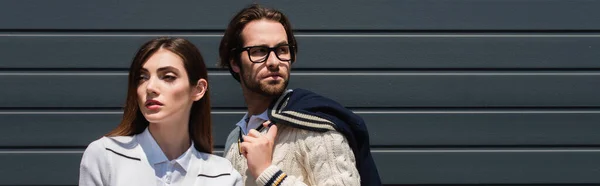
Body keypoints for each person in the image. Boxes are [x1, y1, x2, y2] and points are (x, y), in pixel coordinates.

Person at [218, 4, 381, 186]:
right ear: (234, 63)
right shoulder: (234, 140)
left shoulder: (316, 128)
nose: (274, 62)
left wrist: (268, 174)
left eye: (282, 50)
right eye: (259, 51)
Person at [79, 37, 242, 186]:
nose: (150, 87)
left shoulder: (222, 175)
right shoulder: (106, 155)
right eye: (142, 77)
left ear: (198, 89)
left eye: (168, 77)